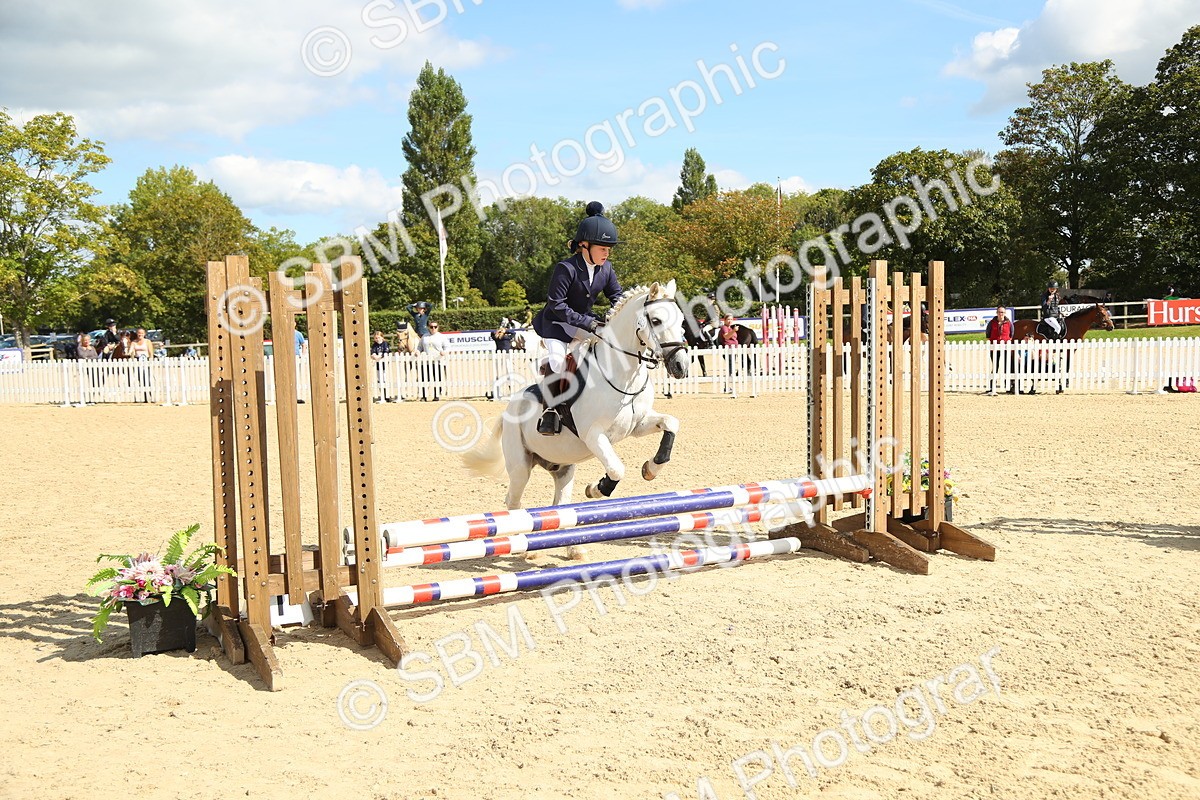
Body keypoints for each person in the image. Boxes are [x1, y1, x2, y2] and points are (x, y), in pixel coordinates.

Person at [531, 201, 623, 435]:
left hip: (582, 322)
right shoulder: (566, 268)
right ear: (585, 246)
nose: (607, 253)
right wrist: (588, 323)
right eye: (602, 248)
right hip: (556, 325)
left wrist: (620, 314)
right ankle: (549, 410)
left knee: (607, 345)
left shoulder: (607, 269)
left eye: (608, 249)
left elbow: (617, 296)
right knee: (557, 361)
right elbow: (556, 304)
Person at [985, 306, 1014, 394]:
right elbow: (988, 334)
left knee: (1007, 366)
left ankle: (1008, 386)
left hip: (1005, 347)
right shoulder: (992, 323)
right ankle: (991, 386)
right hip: (994, 348)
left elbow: (1011, 334)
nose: (1001, 314)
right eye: (999, 312)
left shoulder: (1009, 323)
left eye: (1002, 312)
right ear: (997, 313)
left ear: (1005, 313)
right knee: (995, 367)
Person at [421, 320, 449, 401]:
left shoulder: (442, 337)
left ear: (438, 327)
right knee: (424, 379)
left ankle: (436, 395)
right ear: (429, 327)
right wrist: (418, 351)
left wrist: (444, 352)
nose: (433, 328)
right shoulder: (424, 336)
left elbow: (447, 347)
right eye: (431, 327)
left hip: (438, 361)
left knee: (438, 378)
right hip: (426, 361)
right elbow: (420, 347)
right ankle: (424, 396)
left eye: (435, 327)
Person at [370, 330, 396, 403]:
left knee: (385, 379)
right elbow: (372, 352)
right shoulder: (374, 345)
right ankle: (383, 395)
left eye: (378, 337)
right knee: (380, 380)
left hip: (385, 365)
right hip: (378, 365)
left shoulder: (385, 344)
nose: (377, 339)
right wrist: (374, 356)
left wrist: (379, 356)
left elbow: (386, 352)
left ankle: (387, 396)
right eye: (375, 338)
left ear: (382, 337)